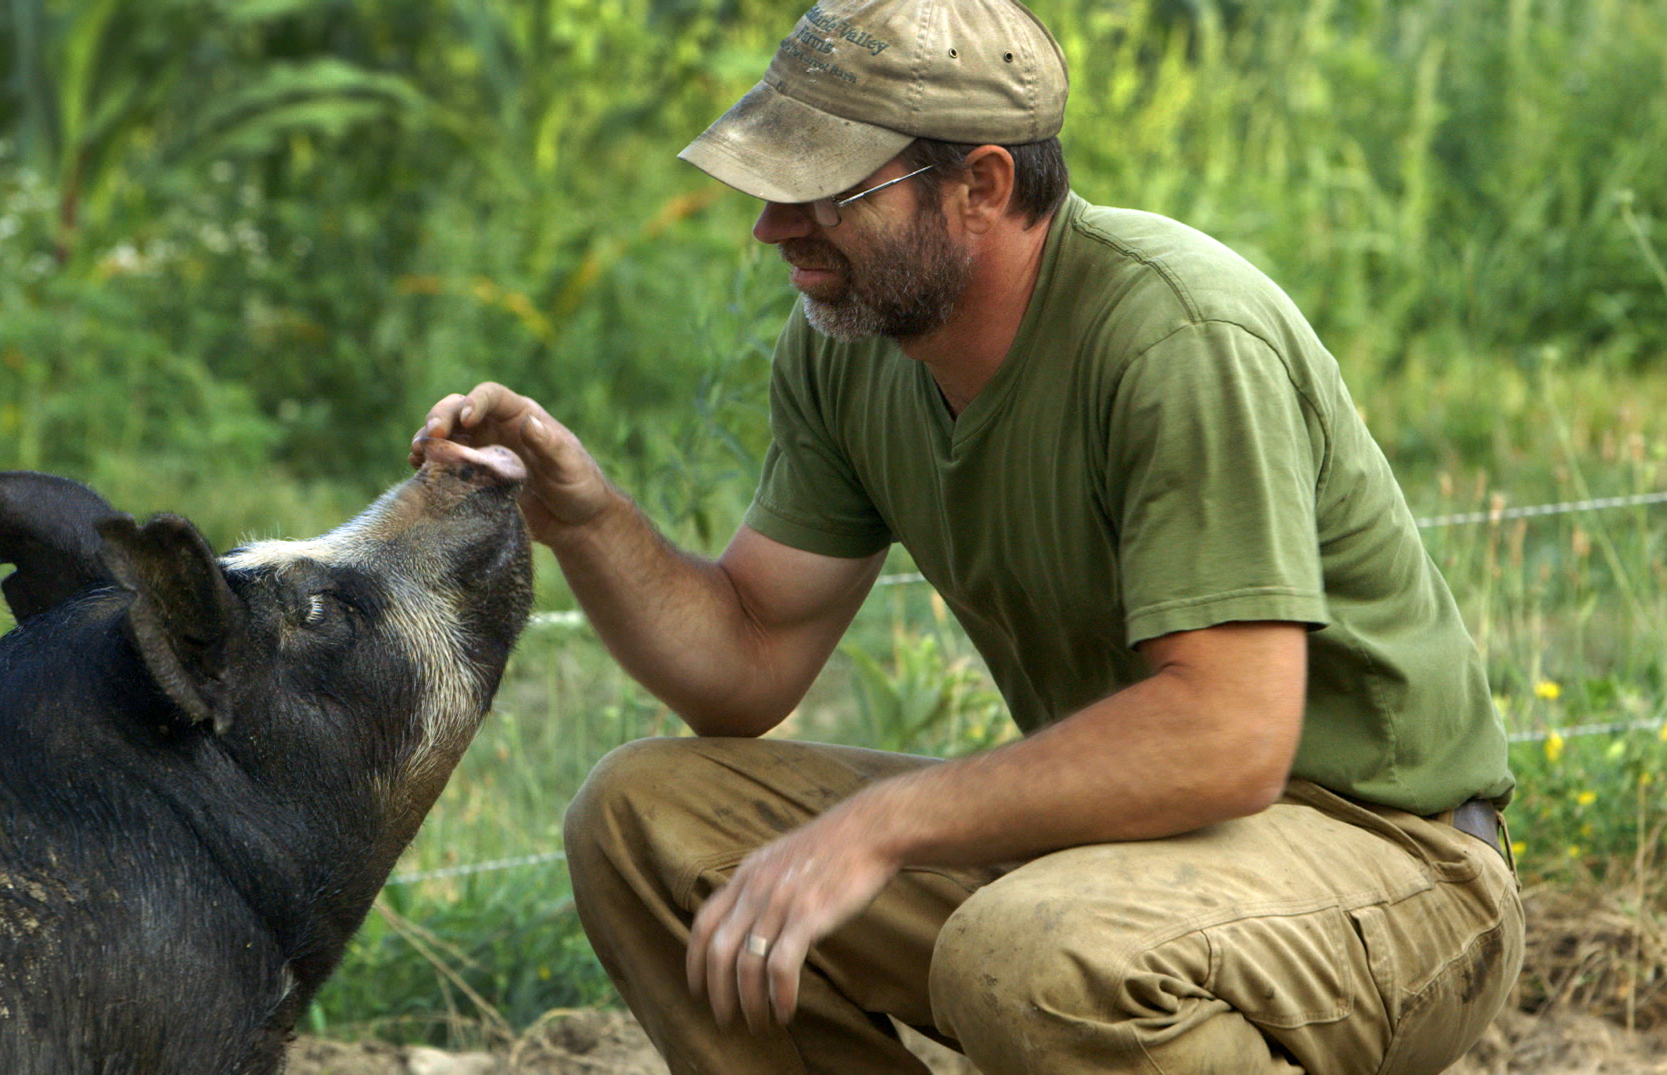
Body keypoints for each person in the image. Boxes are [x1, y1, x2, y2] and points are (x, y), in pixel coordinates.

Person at [410, 0, 1523, 1071]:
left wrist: (886, 824)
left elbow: (1228, 736)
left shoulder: (1178, 335)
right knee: (643, 821)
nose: (772, 228)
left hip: (1389, 860)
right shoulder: (849, 346)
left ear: (980, 185)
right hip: (1122, 855)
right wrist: (589, 517)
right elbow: (745, 661)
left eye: (822, 190)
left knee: (1037, 955)